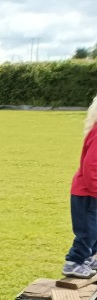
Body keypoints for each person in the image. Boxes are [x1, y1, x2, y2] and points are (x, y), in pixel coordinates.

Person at [63, 94, 97, 279]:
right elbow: (91, 165)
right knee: (88, 230)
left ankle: (89, 257)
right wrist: (94, 190)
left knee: (95, 228)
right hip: (87, 193)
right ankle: (74, 261)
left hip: (92, 192)